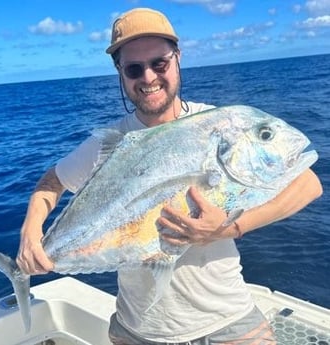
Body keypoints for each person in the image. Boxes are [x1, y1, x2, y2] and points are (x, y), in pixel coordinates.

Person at [16, 7, 323, 345]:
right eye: (134, 68)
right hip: (139, 331)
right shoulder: (111, 143)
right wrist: (31, 232)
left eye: (159, 63)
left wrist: (228, 228)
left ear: (177, 59)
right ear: (120, 72)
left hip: (227, 322)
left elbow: (308, 184)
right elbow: (51, 183)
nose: (148, 77)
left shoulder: (218, 124)